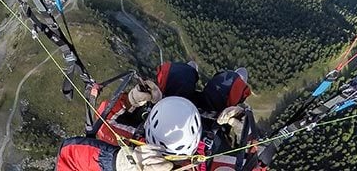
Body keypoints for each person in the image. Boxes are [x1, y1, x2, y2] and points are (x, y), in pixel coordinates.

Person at [55, 63, 274, 171]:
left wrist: (118, 161)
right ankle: (228, 78)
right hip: (209, 122)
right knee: (228, 86)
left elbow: (71, 155)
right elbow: (257, 164)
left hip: (175, 116)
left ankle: (188, 72)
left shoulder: (135, 150)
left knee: (177, 75)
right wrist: (246, 132)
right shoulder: (215, 164)